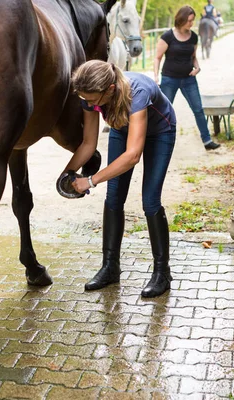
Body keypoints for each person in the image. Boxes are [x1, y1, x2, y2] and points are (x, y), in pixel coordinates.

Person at [65, 60, 176, 298]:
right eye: (86, 100)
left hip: (160, 133)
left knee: (150, 201)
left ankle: (162, 273)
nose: (90, 104)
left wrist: (91, 180)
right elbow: (88, 143)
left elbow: (132, 155)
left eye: (94, 100)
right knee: (114, 197)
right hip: (122, 128)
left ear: (110, 90)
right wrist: (69, 172)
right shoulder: (90, 96)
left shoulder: (138, 92)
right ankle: (110, 267)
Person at [154, 5, 220, 151]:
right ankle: (157, 141)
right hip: (169, 80)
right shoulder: (168, 36)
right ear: (181, 19)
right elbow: (157, 57)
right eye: (189, 21)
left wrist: (197, 68)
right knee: (164, 111)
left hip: (189, 80)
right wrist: (155, 77)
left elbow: (193, 57)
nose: (192, 24)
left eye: (193, 21)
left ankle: (207, 140)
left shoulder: (194, 37)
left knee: (198, 109)